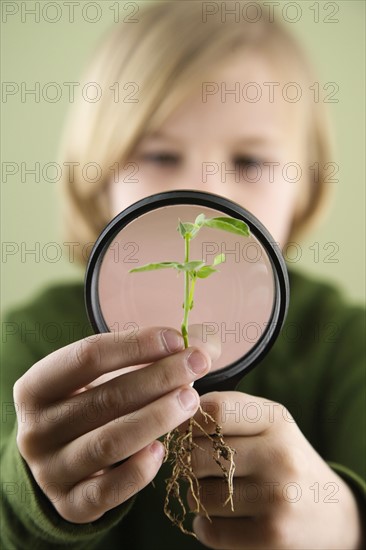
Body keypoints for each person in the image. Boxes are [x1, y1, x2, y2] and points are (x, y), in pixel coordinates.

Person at [1, 2, 364, 549]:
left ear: (306, 188)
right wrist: (34, 497)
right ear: (97, 181)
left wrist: (346, 527)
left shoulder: (346, 348)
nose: (206, 194)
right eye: (161, 154)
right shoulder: (29, 340)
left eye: (250, 162)